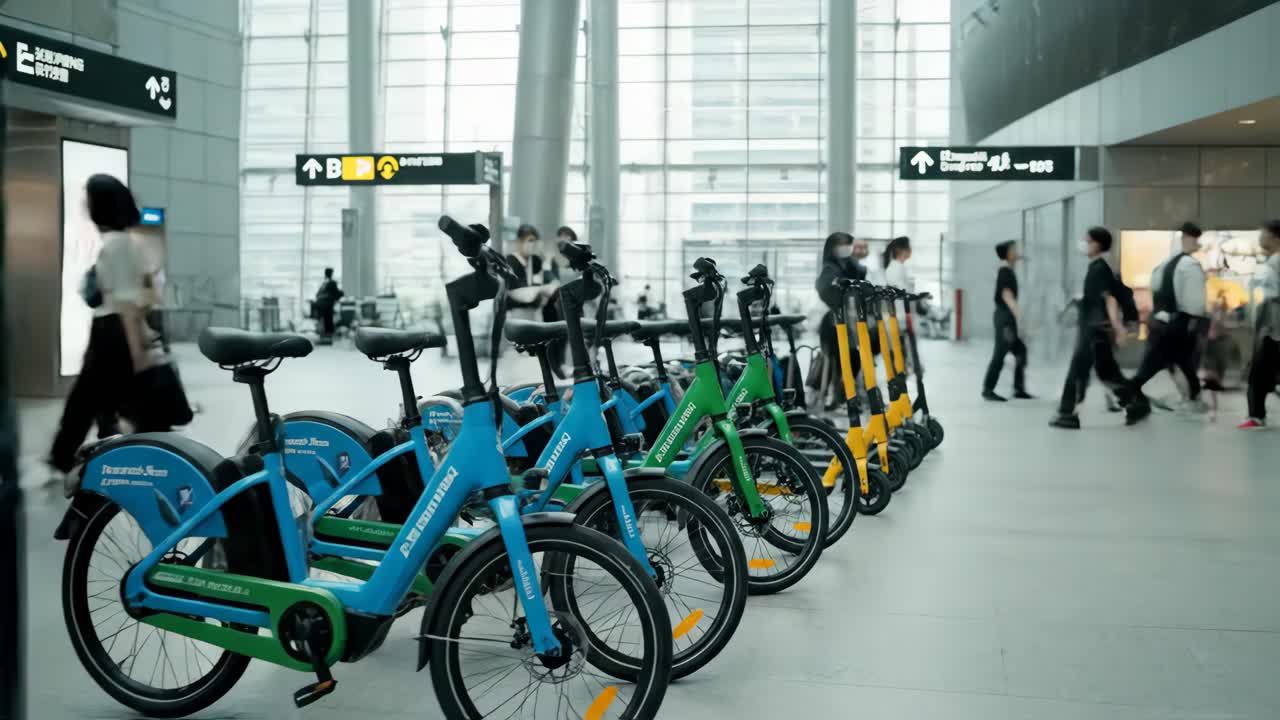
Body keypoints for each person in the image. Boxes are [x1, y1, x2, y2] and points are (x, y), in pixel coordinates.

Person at [48, 175, 150, 475]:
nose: (84, 205)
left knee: (86, 396)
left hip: (112, 329)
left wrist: (138, 346)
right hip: (115, 327)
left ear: (101, 205)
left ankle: (62, 456)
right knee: (103, 395)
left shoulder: (116, 246)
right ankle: (90, 444)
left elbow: (127, 300)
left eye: (88, 199)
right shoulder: (126, 242)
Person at [1119, 222, 1208, 423]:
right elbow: (1195, 303)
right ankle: (1125, 394)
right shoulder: (1190, 266)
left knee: (1181, 362)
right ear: (1187, 238)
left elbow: (1156, 291)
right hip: (1178, 325)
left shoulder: (1162, 266)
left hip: (1161, 323)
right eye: (1195, 239)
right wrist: (1195, 322)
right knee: (1159, 365)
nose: (1198, 244)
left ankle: (1192, 398)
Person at [1050, 227, 1130, 429]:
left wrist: (1118, 328)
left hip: (1093, 330)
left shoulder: (1099, 269)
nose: (1084, 244)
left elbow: (1109, 299)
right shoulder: (1095, 267)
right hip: (1094, 328)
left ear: (1097, 244)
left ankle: (1067, 414)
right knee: (1107, 372)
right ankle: (1136, 403)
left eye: (1087, 240)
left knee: (1077, 372)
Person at [815, 232, 867, 411]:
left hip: (846, 322)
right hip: (832, 324)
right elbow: (825, 288)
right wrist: (839, 289)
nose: (846, 248)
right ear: (833, 247)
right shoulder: (829, 268)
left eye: (848, 244)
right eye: (843, 244)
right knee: (847, 358)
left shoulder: (847, 265)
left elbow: (860, 277)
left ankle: (846, 394)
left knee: (855, 357)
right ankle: (842, 395)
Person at [1238, 220, 1280, 429]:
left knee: (1259, 374)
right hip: (1273, 330)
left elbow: (1271, 299)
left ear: (1275, 237)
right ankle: (1256, 415)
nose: (1260, 238)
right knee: (1261, 374)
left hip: (1275, 331)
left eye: (1263, 234)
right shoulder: (1272, 261)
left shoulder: (1276, 262)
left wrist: (1263, 325)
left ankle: (1256, 416)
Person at [982, 240, 1031, 401]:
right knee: (1000, 352)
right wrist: (1020, 317)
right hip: (1005, 317)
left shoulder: (1007, 269)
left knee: (1020, 350)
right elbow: (1007, 296)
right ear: (1008, 253)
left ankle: (1019, 388)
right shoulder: (1005, 272)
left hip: (1006, 317)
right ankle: (988, 389)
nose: (1017, 252)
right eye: (1014, 250)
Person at [315, 267, 342, 342]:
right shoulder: (332, 283)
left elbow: (317, 294)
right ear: (331, 274)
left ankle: (323, 335)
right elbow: (336, 293)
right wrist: (341, 294)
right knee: (328, 319)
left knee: (323, 319)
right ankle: (328, 336)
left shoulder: (323, 282)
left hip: (320, 304)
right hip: (327, 304)